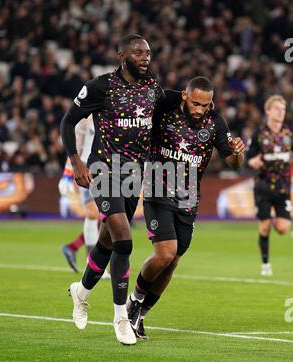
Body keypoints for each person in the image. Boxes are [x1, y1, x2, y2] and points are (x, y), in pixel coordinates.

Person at [60, 34, 166, 345]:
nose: (145, 57)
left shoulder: (153, 89)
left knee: (107, 241)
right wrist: (76, 162)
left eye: (148, 52)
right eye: (137, 52)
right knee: (123, 237)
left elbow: (167, 114)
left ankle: (82, 290)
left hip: (134, 175)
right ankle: (121, 316)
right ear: (121, 54)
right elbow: (68, 122)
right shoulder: (99, 86)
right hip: (103, 169)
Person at [127, 76, 246, 339]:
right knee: (165, 253)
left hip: (188, 198)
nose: (199, 110)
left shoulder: (215, 123)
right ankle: (133, 303)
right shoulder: (164, 111)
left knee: (173, 261)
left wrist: (238, 152)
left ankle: (141, 315)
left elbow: (234, 163)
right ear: (184, 96)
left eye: (205, 105)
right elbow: (147, 99)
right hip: (158, 190)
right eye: (195, 103)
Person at [59, 116, 110, 278]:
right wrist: (67, 174)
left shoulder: (112, 112)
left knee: (108, 218)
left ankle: (74, 248)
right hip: (88, 169)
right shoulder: (84, 118)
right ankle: (93, 263)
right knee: (93, 214)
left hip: (109, 169)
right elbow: (76, 146)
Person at [247, 95, 292, 276]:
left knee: (282, 229)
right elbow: (247, 159)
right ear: (268, 111)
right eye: (277, 109)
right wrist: (252, 162)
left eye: (283, 109)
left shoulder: (289, 133)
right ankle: (265, 264)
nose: (281, 112)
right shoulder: (259, 133)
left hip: (282, 186)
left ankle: (274, 219)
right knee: (264, 226)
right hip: (263, 186)